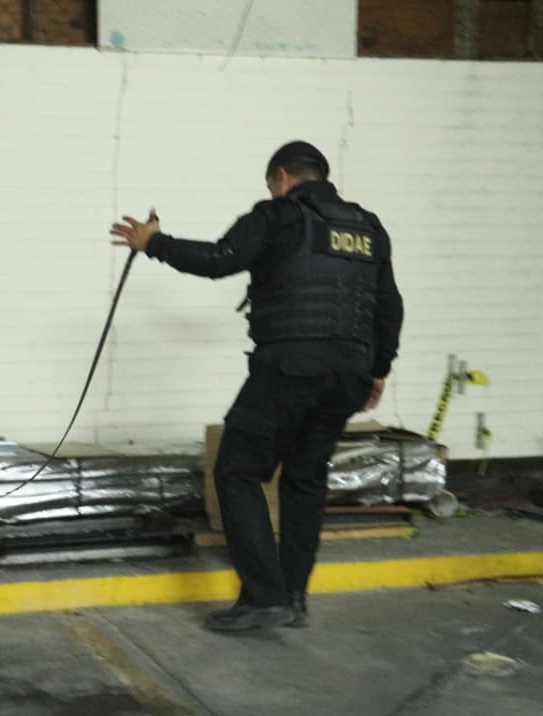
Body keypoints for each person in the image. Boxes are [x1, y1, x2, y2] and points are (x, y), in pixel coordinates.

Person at [110, 141, 403, 632]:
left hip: (291, 366)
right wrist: (378, 370)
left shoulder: (278, 215)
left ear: (283, 176)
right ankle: (292, 597)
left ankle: (265, 598)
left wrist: (153, 242)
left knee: (237, 470)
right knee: (304, 480)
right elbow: (389, 306)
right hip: (347, 374)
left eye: (271, 183)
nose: (271, 190)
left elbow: (219, 259)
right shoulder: (368, 228)